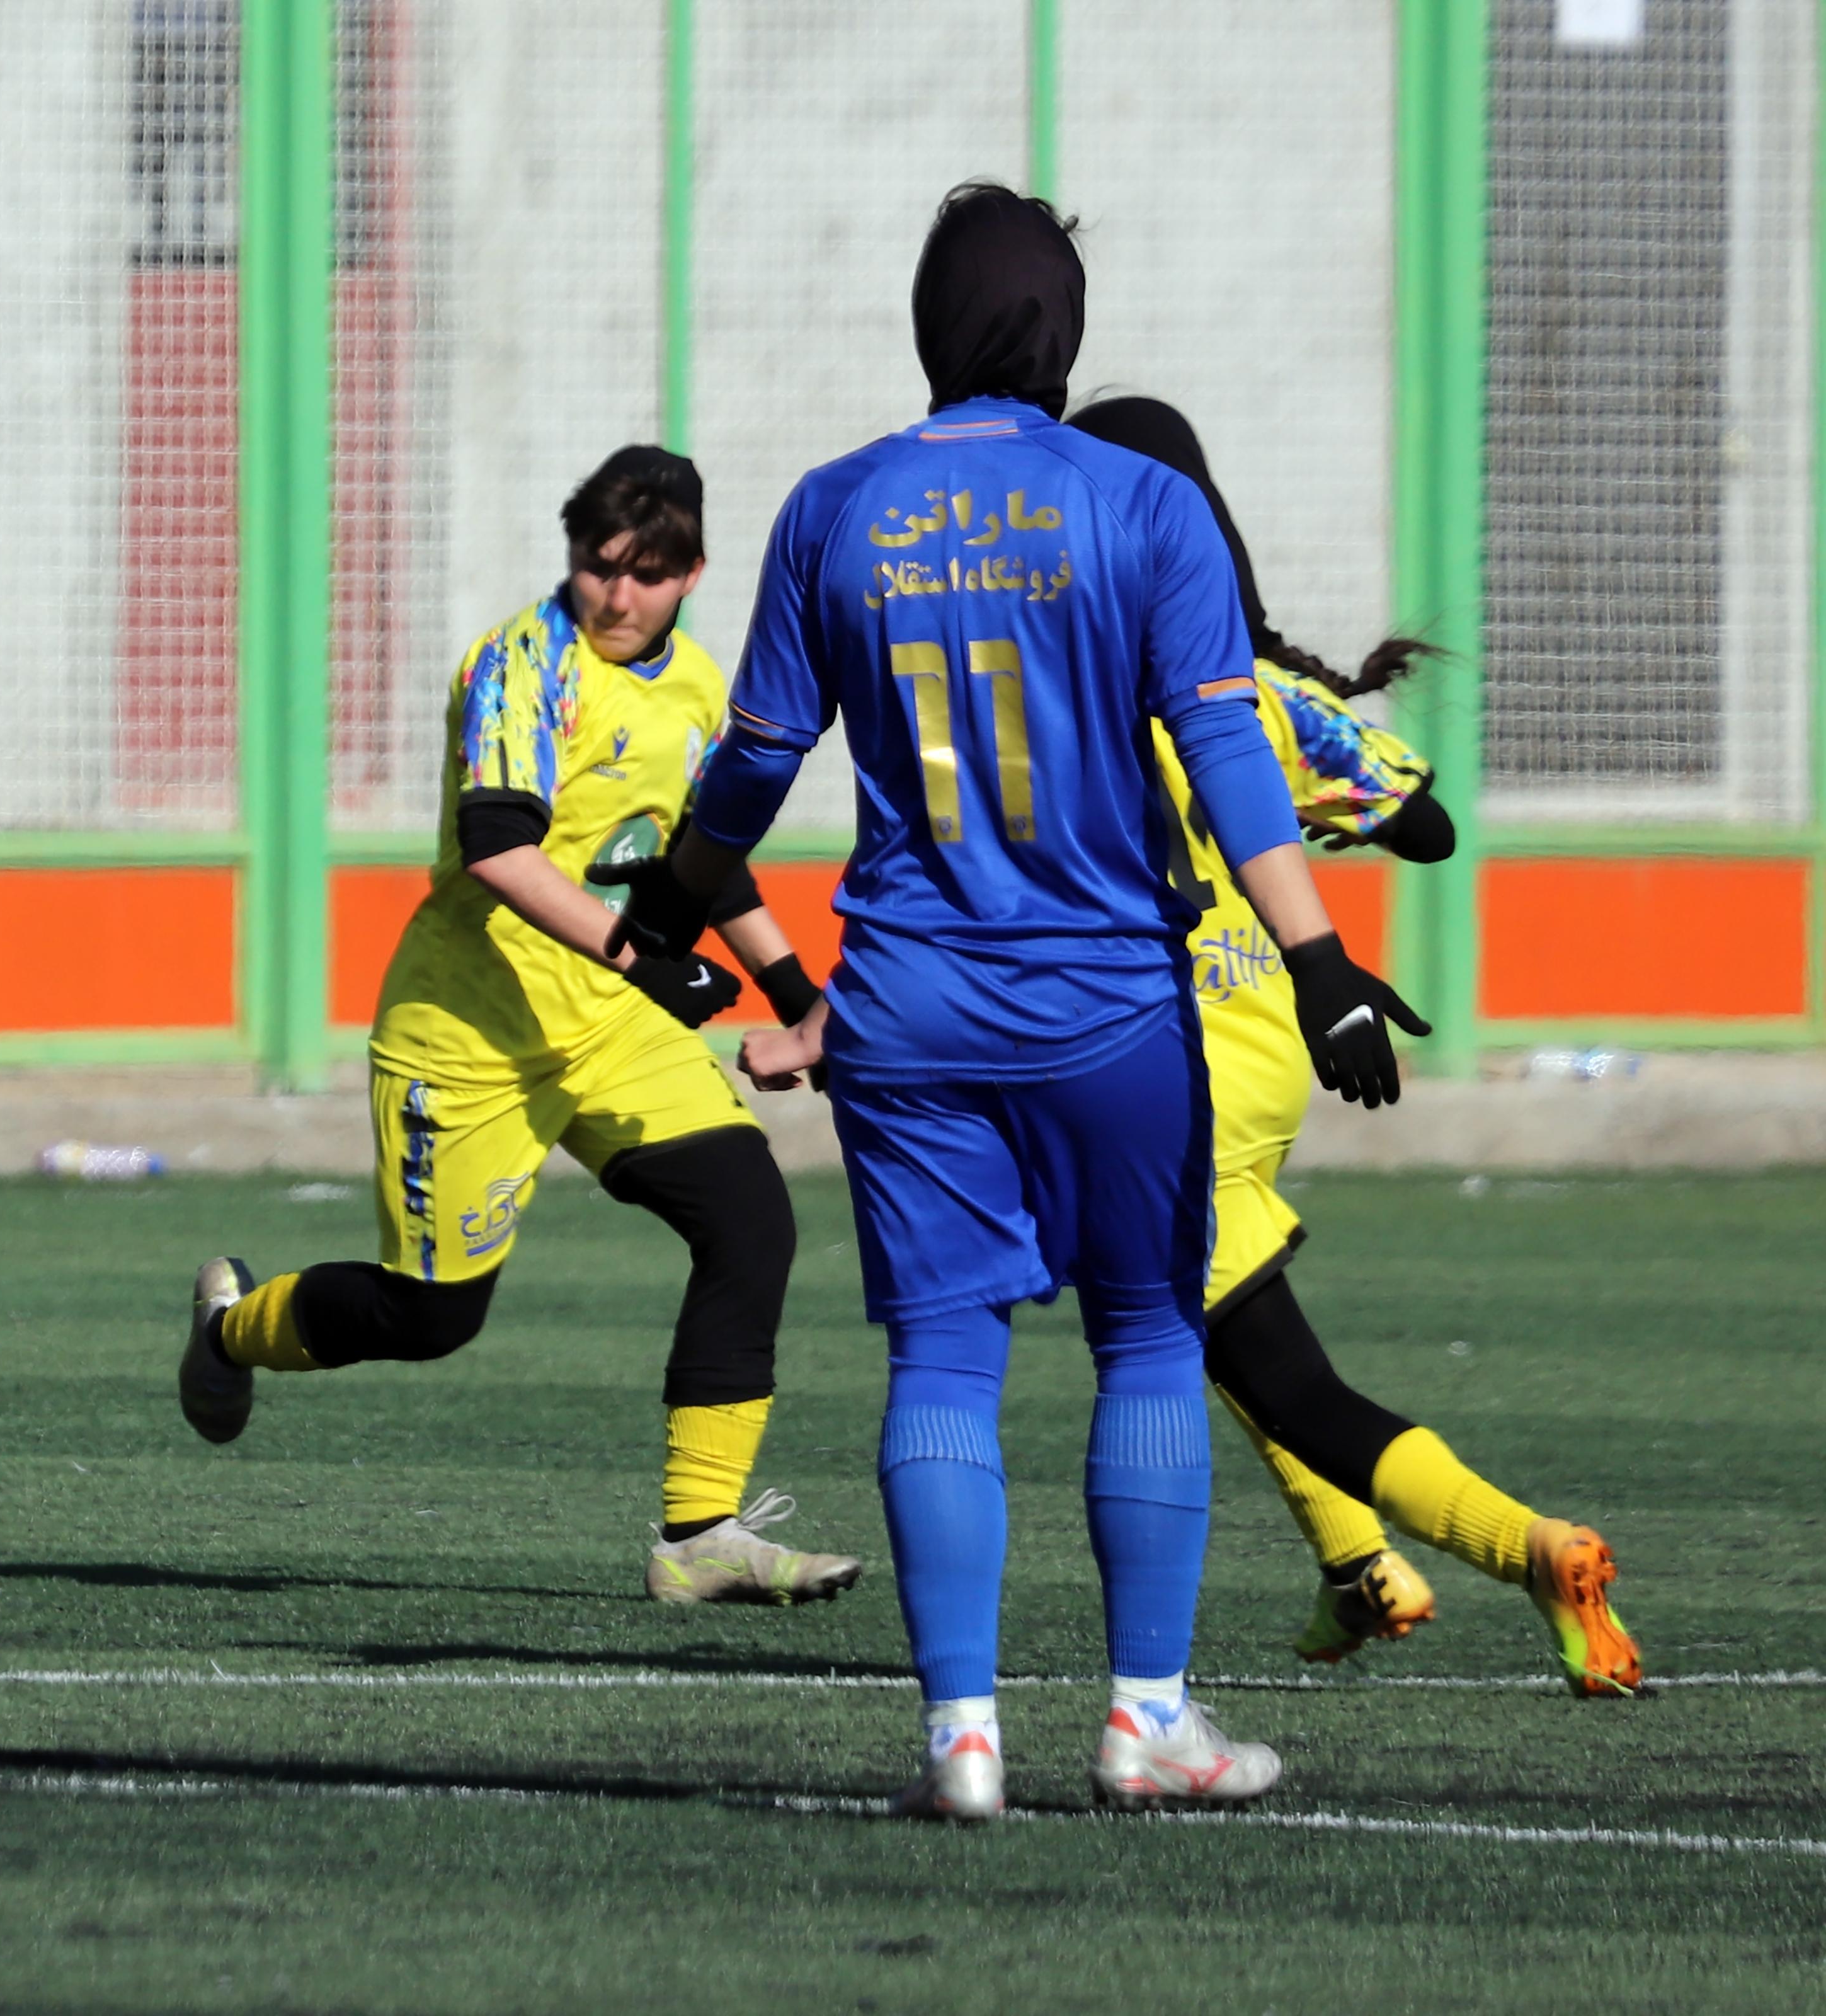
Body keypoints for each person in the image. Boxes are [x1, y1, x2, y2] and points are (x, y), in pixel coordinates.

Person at [605, 185, 1427, 1820]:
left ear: (929, 329)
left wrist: (669, 908)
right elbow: (1229, 752)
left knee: (941, 1359)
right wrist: (1321, 962)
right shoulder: (1145, 504)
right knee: (1148, 1335)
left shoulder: (836, 506)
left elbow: (754, 762)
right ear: (1064, 332)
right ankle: (1146, 1722)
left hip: (906, 1011)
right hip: (1110, 1008)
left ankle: (961, 1742)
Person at [179, 446, 864, 1607]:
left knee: (751, 1221)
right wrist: (649, 960)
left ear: (693, 575)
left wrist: (799, 996)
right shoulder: (520, 664)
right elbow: (500, 848)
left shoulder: (699, 686)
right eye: (600, 565)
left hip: (610, 1031)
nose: (617, 595)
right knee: (431, 1316)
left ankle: (700, 1534)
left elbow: (704, 859)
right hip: (469, 1034)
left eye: (647, 574)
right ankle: (232, 1328)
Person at [1069, 394, 1639, 1697]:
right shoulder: (1258, 691)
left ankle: (1532, 1548)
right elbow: (1428, 828)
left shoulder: (1078, 690)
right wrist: (1310, 779)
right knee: (1215, 1330)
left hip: (1163, 1077)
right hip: (1270, 1052)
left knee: (1275, 1372)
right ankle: (1358, 1569)